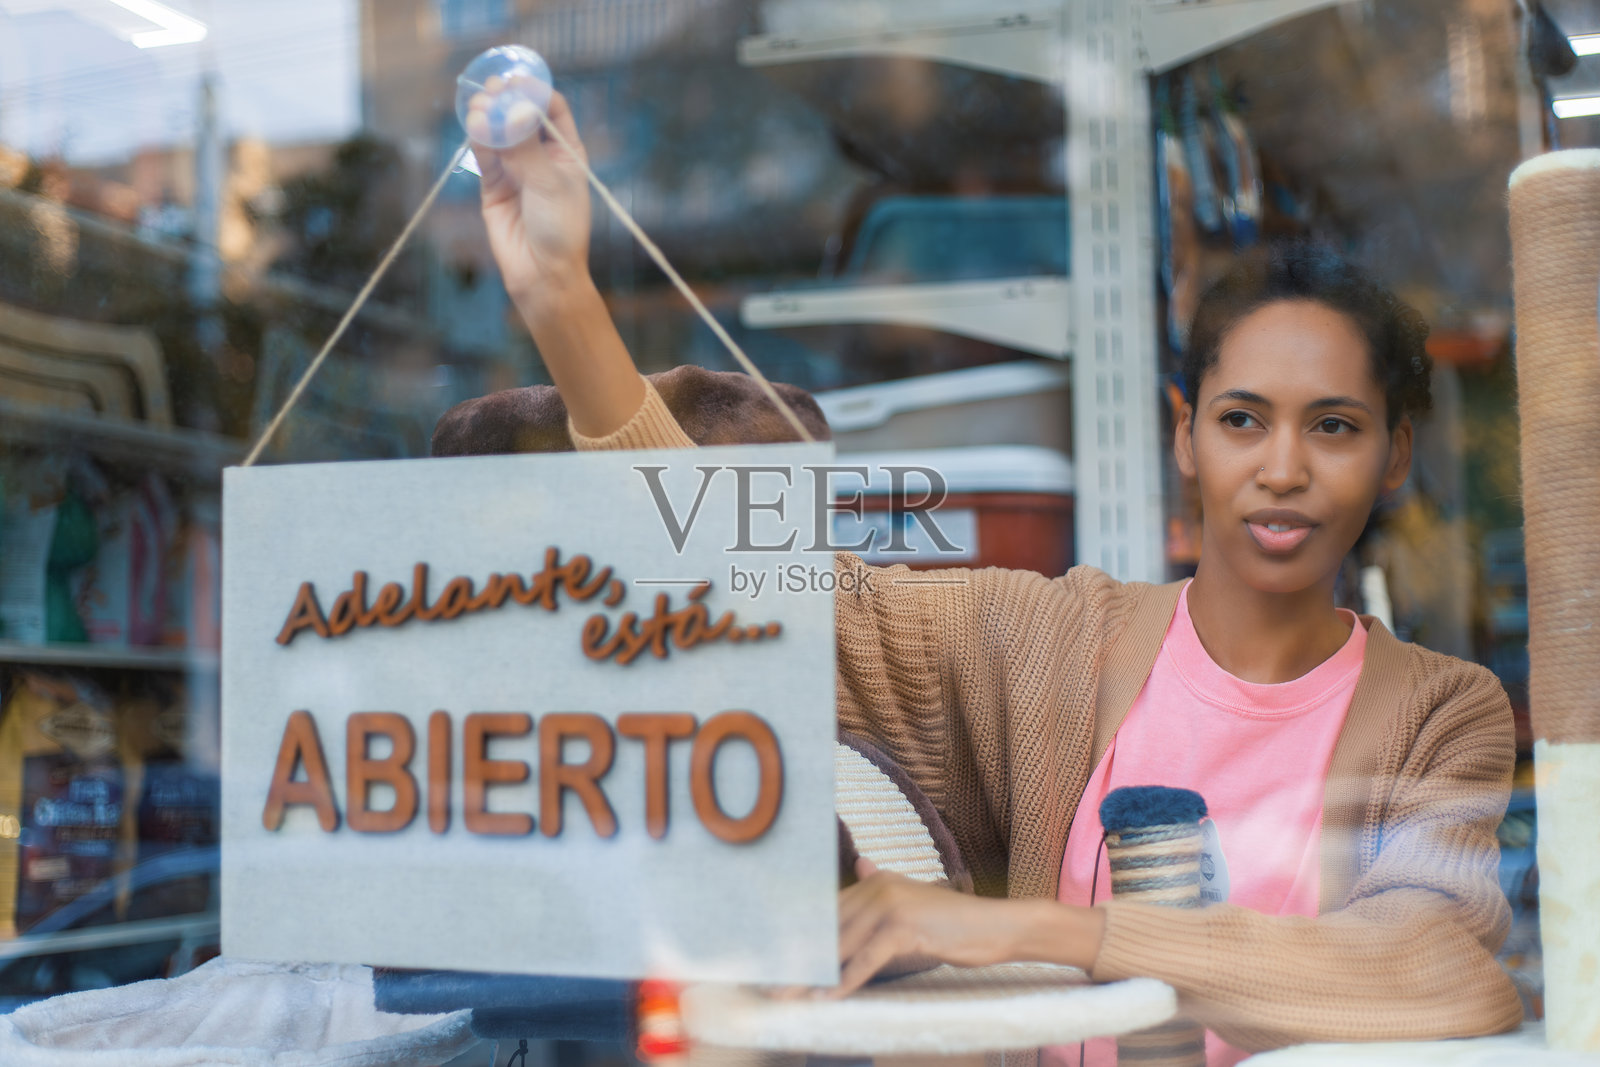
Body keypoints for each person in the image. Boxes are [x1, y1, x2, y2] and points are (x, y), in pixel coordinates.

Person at [473, 93, 1523, 1064]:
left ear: (1394, 454)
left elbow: (1443, 974)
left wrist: (1025, 928)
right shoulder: (1049, 640)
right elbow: (750, 599)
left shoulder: (1438, 710)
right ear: (1185, 435)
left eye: (1333, 427)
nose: (1282, 468)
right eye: (1242, 418)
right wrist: (561, 298)